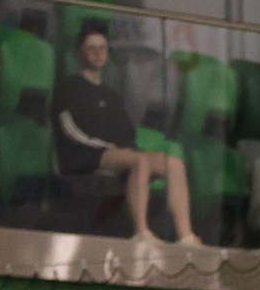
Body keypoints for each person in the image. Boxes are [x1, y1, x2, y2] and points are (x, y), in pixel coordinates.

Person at [53, 21, 200, 245]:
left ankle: (186, 236)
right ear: (80, 53)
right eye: (91, 49)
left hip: (118, 155)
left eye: (102, 48)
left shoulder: (111, 95)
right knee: (139, 161)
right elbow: (69, 130)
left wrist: (128, 149)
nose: (97, 54)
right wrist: (113, 149)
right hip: (83, 156)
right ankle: (141, 231)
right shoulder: (69, 87)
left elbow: (125, 131)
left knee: (174, 164)